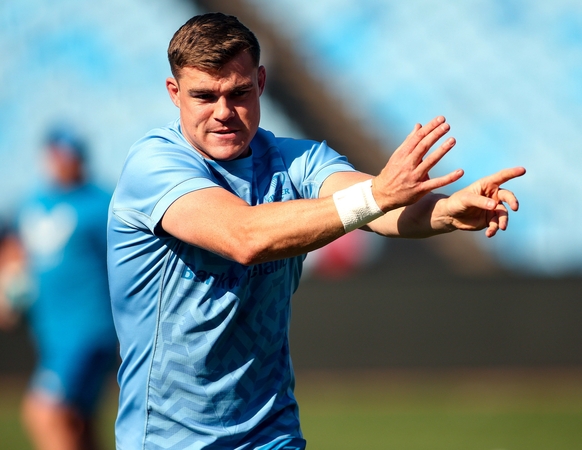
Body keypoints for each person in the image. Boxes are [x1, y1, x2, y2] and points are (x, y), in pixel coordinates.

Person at [107, 12, 525, 449]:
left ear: (262, 82)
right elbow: (244, 237)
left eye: (239, 92)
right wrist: (379, 197)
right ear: (174, 93)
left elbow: (376, 209)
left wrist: (447, 211)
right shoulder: (154, 166)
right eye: (204, 96)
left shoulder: (297, 160)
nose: (223, 112)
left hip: (272, 435)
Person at [0, 126, 118, 450]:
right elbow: (14, 251)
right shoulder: (32, 202)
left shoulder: (101, 204)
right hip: (51, 331)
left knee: (44, 413)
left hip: (88, 330)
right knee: (78, 423)